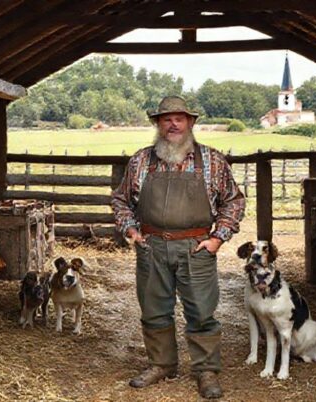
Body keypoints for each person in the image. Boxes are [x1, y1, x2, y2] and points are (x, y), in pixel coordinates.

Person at [111, 96, 245, 399]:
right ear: (157, 124)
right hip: (152, 245)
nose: (173, 124)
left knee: (201, 311)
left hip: (196, 246)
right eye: (166, 119)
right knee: (154, 309)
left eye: (179, 118)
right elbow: (121, 199)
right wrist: (131, 230)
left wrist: (217, 239)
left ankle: (206, 371)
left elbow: (234, 201)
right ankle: (161, 364)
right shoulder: (141, 160)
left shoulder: (212, 160)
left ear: (191, 123)